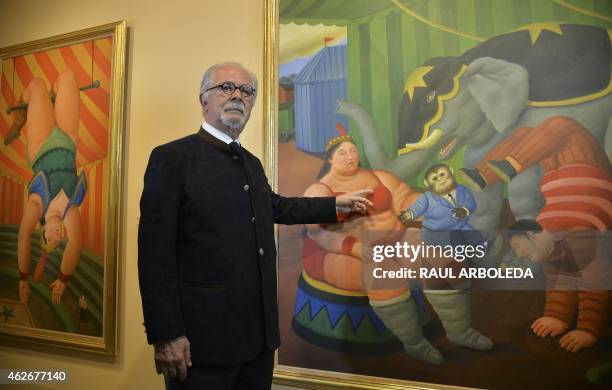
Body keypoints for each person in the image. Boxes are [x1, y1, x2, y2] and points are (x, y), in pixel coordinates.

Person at [137, 62, 372, 390]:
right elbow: (154, 257)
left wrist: (334, 204)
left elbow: (276, 207)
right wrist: (166, 336)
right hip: (201, 345)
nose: (238, 96)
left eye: (247, 91)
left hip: (258, 343)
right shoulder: (172, 158)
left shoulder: (250, 162)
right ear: (203, 100)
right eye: (227, 88)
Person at [302, 137, 491, 364]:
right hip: (346, 253)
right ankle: (415, 344)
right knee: (383, 274)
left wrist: (431, 208)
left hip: (397, 238)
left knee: (440, 258)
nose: (351, 156)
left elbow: (405, 198)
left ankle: (460, 332)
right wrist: (354, 248)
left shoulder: (378, 177)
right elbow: (319, 234)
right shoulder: (319, 190)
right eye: (342, 153)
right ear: (330, 158)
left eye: (353, 150)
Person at [11, 69, 87, 306]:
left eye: (49, 240)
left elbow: (23, 239)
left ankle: (21, 114)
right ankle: (55, 94)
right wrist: (63, 280)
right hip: (67, 139)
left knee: (35, 84)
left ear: (42, 230)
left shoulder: (38, 203)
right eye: (58, 241)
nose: (57, 237)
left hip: (42, 144)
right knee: (68, 78)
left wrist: (23, 278)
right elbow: (76, 246)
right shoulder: (69, 211)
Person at [508, 219, 611, 352]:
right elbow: (561, 282)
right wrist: (556, 315)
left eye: (517, 246)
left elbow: (597, 284)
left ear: (531, 235)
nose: (519, 255)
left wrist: (588, 329)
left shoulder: (578, 238)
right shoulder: (551, 249)